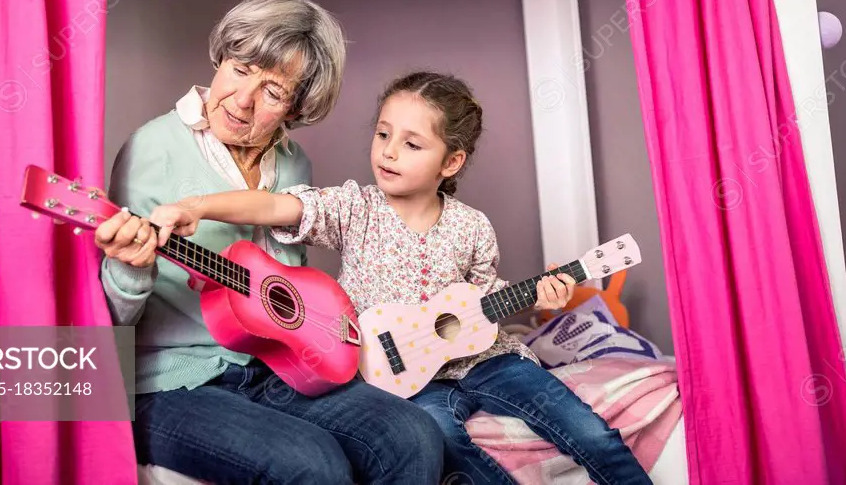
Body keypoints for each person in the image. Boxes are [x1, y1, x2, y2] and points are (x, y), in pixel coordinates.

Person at [150, 71, 654, 485]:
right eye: (383, 134)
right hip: (410, 381)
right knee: (441, 445)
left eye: (411, 144)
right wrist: (199, 206)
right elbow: (276, 204)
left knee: (588, 429)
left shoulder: (472, 226)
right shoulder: (355, 207)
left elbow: (484, 298)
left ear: (450, 161)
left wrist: (544, 296)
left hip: (488, 361)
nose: (389, 152)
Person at [96, 0, 444, 485]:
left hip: (274, 369)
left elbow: (284, 286)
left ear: (296, 109)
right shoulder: (151, 150)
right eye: (240, 70)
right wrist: (131, 266)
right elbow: (109, 317)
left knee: (413, 435)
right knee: (312, 463)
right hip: (171, 383)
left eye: (272, 92)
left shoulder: (293, 164)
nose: (242, 100)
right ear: (220, 59)